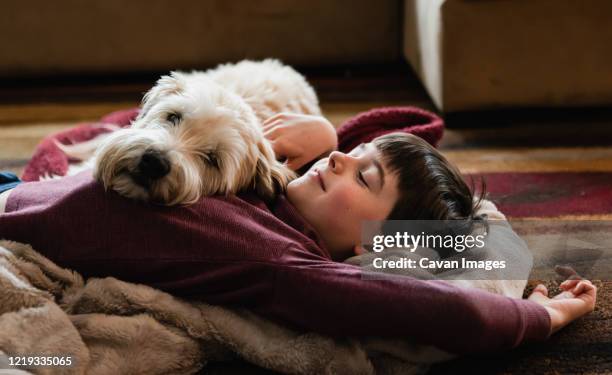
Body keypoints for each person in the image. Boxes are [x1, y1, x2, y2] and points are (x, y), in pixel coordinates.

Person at [0, 113, 596, 355]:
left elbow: (461, 312)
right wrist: (321, 134)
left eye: (363, 175)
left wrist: (546, 319)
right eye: (350, 153)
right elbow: (402, 126)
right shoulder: (264, 187)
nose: (338, 159)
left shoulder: (282, 262)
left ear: (372, 245)